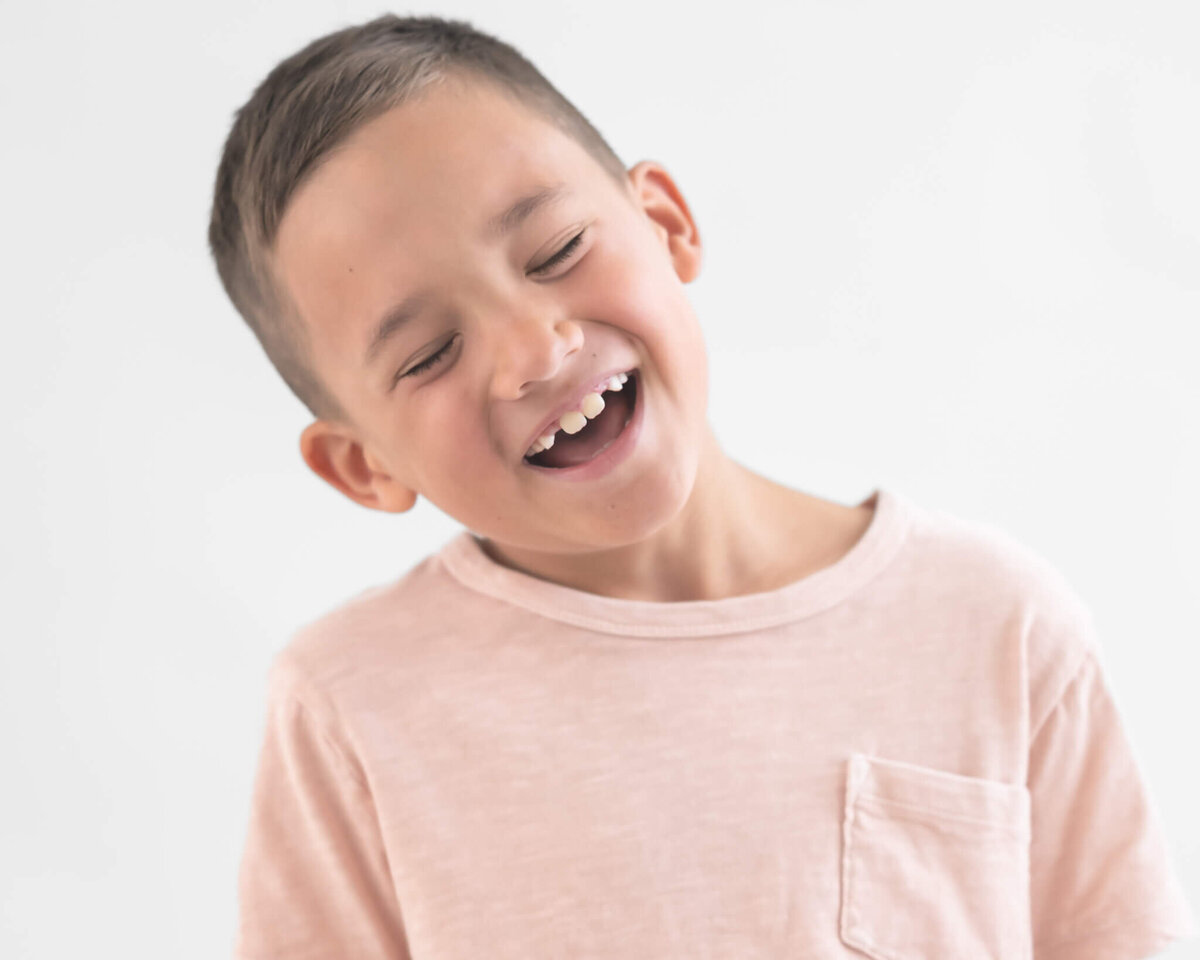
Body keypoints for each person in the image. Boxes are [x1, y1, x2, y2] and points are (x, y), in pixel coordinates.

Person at [208, 14, 1196, 960]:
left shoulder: (994, 621)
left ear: (666, 223)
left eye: (556, 252)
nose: (531, 352)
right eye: (428, 355)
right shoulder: (349, 703)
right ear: (363, 466)